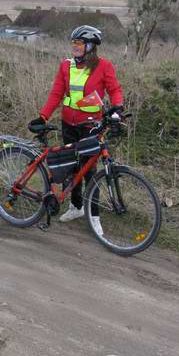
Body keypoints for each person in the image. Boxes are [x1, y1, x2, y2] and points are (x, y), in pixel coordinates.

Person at [31, 25, 124, 235]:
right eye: (73, 42)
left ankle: (94, 216)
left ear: (90, 46)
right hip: (68, 124)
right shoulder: (66, 66)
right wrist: (43, 116)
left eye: (79, 43)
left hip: (91, 126)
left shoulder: (103, 66)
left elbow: (115, 90)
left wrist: (117, 108)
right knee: (72, 169)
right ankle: (76, 207)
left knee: (90, 172)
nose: (75, 47)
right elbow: (56, 94)